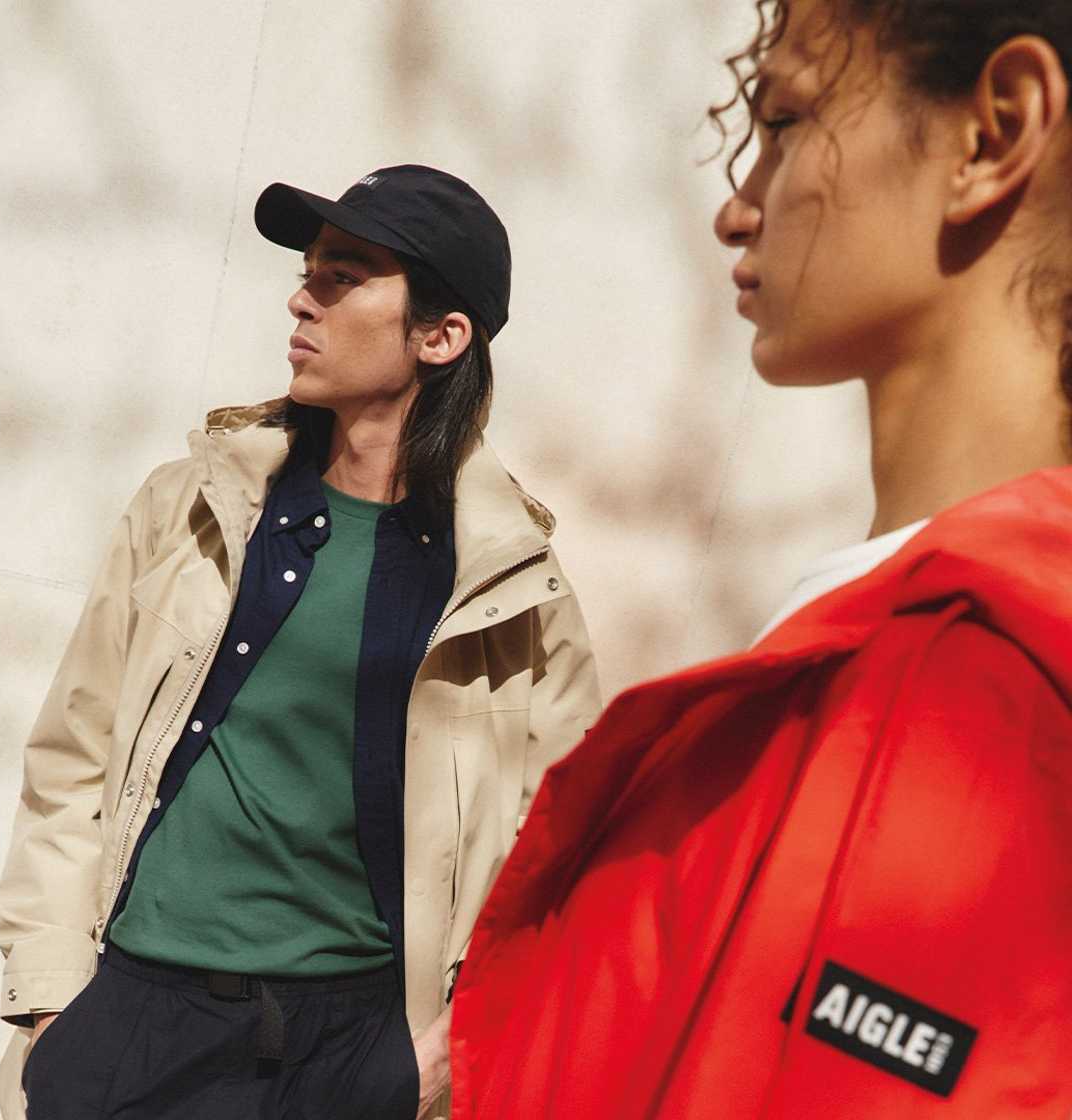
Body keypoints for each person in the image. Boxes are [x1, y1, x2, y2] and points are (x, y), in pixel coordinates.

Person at [450, 3, 1072, 1115]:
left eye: (785, 122)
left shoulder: (992, 697)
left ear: (993, 134)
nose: (738, 208)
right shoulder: (884, 649)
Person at [0, 164, 601, 1120]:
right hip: (136, 1023)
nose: (301, 299)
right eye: (307, 271)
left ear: (441, 336)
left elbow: (567, 852)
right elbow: (72, 754)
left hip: (354, 1051)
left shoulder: (508, 584)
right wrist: (51, 1008)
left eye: (342, 277)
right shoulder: (191, 509)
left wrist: (445, 1055)